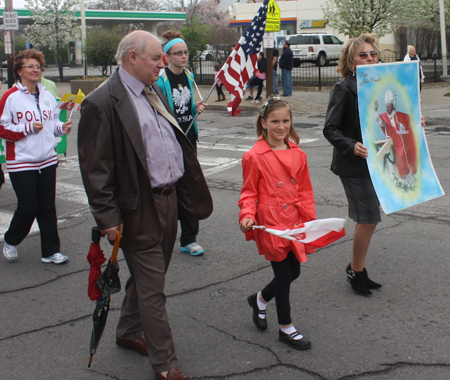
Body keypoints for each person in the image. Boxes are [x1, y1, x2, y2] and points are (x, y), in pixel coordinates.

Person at [78, 30, 212, 380]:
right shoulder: (101, 102)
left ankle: (127, 330)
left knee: (149, 277)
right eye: (156, 58)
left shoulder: (153, 91)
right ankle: (166, 366)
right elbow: (96, 168)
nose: (163, 63)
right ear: (132, 58)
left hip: (169, 203)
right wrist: (108, 217)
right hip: (137, 209)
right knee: (154, 288)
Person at [239, 96, 316, 350]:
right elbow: (248, 192)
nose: (281, 126)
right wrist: (247, 215)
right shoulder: (255, 156)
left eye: (285, 120)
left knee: (294, 271)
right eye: (274, 121)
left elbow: (305, 190)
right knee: (283, 274)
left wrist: (310, 221)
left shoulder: (298, 153)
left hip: (294, 220)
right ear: (263, 123)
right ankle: (286, 328)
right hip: (271, 221)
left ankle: (259, 299)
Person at [323, 33, 382, 296]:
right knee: (368, 217)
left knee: (369, 218)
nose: (369, 58)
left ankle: (357, 268)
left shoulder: (381, 86)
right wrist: (351, 145)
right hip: (353, 165)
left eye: (373, 54)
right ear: (351, 61)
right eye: (363, 55)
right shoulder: (344, 88)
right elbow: (330, 129)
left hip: (378, 162)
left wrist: (416, 121)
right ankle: (356, 271)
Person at [0, 49, 72, 263]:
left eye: (38, 66)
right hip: (21, 161)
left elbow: (51, 125)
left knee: (48, 206)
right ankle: (11, 240)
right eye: (30, 66)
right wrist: (28, 128)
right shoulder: (10, 97)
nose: (35, 70)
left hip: (48, 159)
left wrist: (61, 128)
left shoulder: (47, 94)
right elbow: (3, 128)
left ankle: (51, 252)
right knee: (28, 207)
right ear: (19, 71)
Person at [156, 30, 207, 257]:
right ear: (167, 56)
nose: (184, 56)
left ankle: (189, 239)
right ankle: (161, 236)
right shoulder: (161, 79)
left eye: (186, 52)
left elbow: (186, 107)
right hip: (171, 140)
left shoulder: (188, 76)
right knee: (169, 190)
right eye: (178, 53)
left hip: (189, 139)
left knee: (190, 188)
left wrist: (196, 108)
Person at [374, 90, 418, 189]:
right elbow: (379, 122)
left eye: (389, 106)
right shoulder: (385, 116)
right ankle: (394, 183)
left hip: (401, 144)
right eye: (386, 107)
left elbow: (409, 125)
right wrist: (376, 110)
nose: (387, 109)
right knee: (391, 163)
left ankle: (408, 182)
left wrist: (402, 127)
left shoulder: (401, 116)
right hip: (390, 145)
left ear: (393, 106)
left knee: (403, 160)